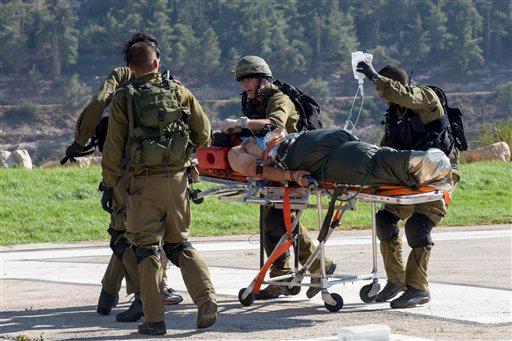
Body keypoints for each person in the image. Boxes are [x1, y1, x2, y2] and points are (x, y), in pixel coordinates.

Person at [64, 32, 183, 319]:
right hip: (162, 172)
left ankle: (143, 295)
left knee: (125, 234)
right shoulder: (167, 81)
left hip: (124, 170)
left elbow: (97, 103)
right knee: (137, 234)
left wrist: (80, 142)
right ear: (155, 58)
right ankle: (117, 295)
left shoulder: (121, 75)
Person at [101, 41, 216, 335]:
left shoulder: (124, 98)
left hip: (142, 186)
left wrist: (110, 184)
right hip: (178, 182)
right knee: (180, 245)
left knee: (146, 250)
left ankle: (154, 320)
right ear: (156, 63)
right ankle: (206, 299)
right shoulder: (178, 90)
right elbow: (204, 134)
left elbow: (113, 149)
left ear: (131, 68)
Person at [223, 56, 336, 300]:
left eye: (249, 78)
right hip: (274, 164)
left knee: (284, 219)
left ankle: (318, 265)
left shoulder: (279, 98)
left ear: (262, 78)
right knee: (272, 220)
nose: (244, 84)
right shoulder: (252, 100)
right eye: (241, 79)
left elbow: (275, 126)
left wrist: (244, 124)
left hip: (293, 160)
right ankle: (283, 277)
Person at [356, 61, 459, 308]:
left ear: (394, 85)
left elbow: (406, 95)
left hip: (439, 176)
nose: (379, 94)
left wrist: (374, 77)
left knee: (417, 227)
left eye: (382, 88)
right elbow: (384, 151)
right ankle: (397, 280)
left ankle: (418, 288)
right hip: (409, 178)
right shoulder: (393, 115)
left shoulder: (426, 98)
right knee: (385, 221)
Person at [227, 128, 453, 190]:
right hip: (321, 144)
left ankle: (426, 167)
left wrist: (245, 123)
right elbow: (259, 171)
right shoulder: (234, 153)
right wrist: (291, 175)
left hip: (312, 150)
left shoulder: (259, 138)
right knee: (371, 158)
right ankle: (428, 166)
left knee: (370, 161)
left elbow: (260, 170)